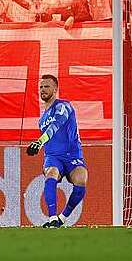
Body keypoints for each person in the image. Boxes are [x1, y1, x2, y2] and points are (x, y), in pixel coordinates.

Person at [26, 75, 88, 228]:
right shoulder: (41, 120)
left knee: (81, 179)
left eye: (46, 86)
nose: (43, 90)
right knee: (52, 172)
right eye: (41, 87)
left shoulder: (63, 106)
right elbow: (50, 131)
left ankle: (62, 217)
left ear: (55, 89)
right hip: (53, 157)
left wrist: (39, 141)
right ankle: (52, 217)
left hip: (72, 154)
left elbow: (56, 125)